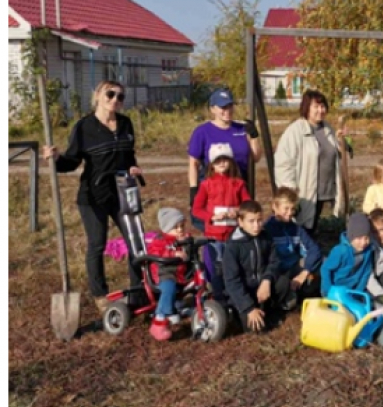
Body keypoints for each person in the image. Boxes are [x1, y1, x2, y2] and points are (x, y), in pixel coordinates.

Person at [42, 80, 144, 314]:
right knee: (97, 244)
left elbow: (129, 156)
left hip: (122, 192)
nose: (115, 100)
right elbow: (72, 161)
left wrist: (133, 168)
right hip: (93, 195)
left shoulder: (126, 124)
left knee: (135, 242)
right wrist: (57, 159)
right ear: (98, 95)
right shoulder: (84, 127)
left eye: (120, 96)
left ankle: (138, 291)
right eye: (110, 94)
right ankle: (101, 295)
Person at [274, 89, 346, 233]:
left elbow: (337, 153)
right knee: (301, 229)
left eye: (323, 106)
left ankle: (310, 252)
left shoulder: (328, 129)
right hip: (304, 192)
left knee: (312, 228)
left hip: (323, 191)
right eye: (316, 107)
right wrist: (290, 190)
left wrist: (343, 141)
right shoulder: (295, 131)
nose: (321, 110)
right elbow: (284, 163)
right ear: (306, 107)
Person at [187, 88, 261, 228]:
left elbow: (256, 157)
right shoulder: (202, 132)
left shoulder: (241, 129)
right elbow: (193, 164)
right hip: (214, 191)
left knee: (237, 231)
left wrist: (254, 136)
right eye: (223, 107)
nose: (227, 110)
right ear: (213, 109)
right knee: (216, 232)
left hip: (238, 189)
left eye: (230, 106)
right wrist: (194, 190)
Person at [191, 142, 251, 305]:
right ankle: (218, 298)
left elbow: (248, 205)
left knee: (233, 266)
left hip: (233, 236)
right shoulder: (206, 185)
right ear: (212, 164)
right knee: (215, 268)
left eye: (225, 159)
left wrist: (238, 211)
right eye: (218, 161)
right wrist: (211, 216)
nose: (222, 163)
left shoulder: (238, 184)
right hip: (213, 236)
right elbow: (196, 209)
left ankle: (235, 296)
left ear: (230, 161)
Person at [223, 201, 290, 333]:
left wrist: (267, 280)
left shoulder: (266, 237)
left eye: (259, 220)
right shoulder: (233, 246)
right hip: (243, 293)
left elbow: (274, 262)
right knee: (254, 329)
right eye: (251, 221)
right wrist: (248, 308)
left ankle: (270, 310)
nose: (256, 225)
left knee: (283, 282)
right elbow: (232, 281)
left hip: (262, 289)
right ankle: (248, 313)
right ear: (240, 222)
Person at [262, 187, 322, 307]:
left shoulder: (295, 229)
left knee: (323, 263)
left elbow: (314, 249)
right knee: (286, 293)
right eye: (286, 208)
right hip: (277, 271)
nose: (289, 213)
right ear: (275, 207)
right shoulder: (267, 229)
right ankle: (288, 295)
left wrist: (304, 273)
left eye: (292, 209)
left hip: (294, 267)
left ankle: (303, 290)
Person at [146, 208, 190, 341]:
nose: (180, 230)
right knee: (169, 288)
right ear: (166, 228)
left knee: (195, 282)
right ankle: (159, 320)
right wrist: (172, 253)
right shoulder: (160, 241)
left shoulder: (181, 239)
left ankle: (188, 307)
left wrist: (188, 243)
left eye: (182, 226)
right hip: (163, 274)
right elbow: (154, 252)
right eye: (175, 227)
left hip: (179, 274)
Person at [320, 213, 373, 295]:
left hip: (352, 290)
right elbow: (325, 269)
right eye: (359, 238)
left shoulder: (368, 251)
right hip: (334, 289)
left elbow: (366, 273)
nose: (363, 242)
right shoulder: (340, 251)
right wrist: (329, 290)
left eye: (366, 238)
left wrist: (358, 292)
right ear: (351, 236)